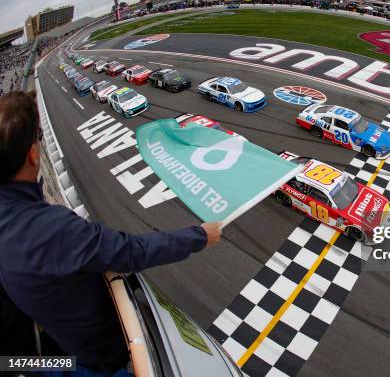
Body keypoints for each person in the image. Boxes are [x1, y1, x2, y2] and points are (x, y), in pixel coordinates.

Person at [0, 91, 223, 373]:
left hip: (29, 356)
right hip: (91, 361)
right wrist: (201, 235)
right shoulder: (50, 230)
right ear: (33, 154)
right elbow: (131, 251)